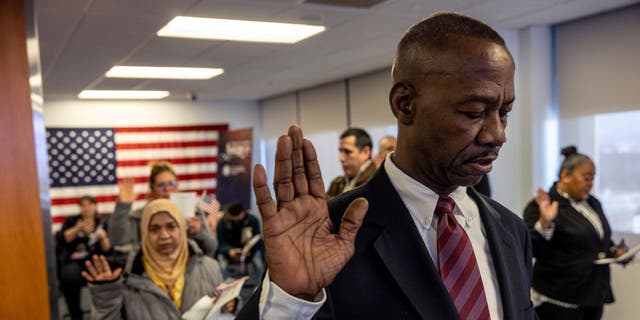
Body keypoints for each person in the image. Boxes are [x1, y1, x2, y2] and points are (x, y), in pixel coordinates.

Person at [238, 12, 535, 319]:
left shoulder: (511, 230)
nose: (497, 134)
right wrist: (291, 300)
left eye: (504, 112)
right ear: (405, 104)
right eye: (474, 113)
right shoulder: (329, 234)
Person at [523, 146, 630, 320]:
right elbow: (533, 248)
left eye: (593, 178)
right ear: (565, 175)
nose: (591, 183)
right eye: (587, 177)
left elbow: (597, 240)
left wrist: (615, 251)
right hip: (559, 300)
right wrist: (545, 224)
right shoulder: (542, 205)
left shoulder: (592, 202)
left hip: (593, 295)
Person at [82, 199, 234, 319]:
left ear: (182, 227)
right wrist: (106, 297)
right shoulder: (127, 277)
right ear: (144, 233)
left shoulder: (210, 267)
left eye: (171, 226)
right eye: (154, 229)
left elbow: (222, 307)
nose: (164, 236)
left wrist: (230, 303)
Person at [108, 161, 218, 258]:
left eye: (171, 184)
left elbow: (211, 248)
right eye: (161, 185)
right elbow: (118, 241)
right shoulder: (140, 216)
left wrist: (198, 233)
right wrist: (123, 207)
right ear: (152, 188)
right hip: (150, 273)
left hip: (189, 273)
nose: (167, 189)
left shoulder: (193, 212)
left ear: (177, 185)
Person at [56, 195, 112, 320]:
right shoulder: (72, 221)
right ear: (80, 208)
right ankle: (76, 314)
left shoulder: (102, 222)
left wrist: (102, 238)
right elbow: (62, 239)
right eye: (83, 205)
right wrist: (78, 228)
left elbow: (108, 249)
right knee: (68, 276)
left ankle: (105, 314)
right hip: (75, 262)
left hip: (97, 261)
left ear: (95, 206)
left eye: (89, 205)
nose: (87, 208)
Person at [326, 128, 376, 199]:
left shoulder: (376, 183)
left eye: (348, 152)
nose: (341, 158)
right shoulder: (337, 184)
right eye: (341, 151)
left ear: (366, 152)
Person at [216, 202, 263, 278]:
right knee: (221, 263)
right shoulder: (222, 223)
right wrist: (229, 250)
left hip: (249, 251)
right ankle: (224, 284)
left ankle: (259, 283)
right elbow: (221, 242)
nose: (235, 220)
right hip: (230, 251)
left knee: (259, 263)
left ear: (243, 213)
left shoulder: (252, 220)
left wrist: (249, 250)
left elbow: (257, 239)